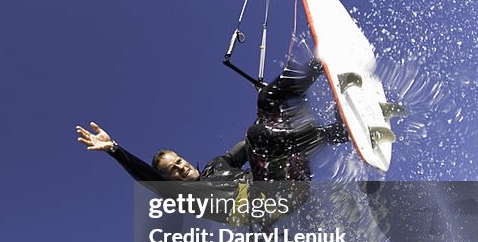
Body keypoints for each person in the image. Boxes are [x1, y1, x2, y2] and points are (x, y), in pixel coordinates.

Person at [76, 58, 348, 184]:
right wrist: (114, 149)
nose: (180, 168)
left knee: (266, 98)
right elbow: (147, 178)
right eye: (172, 171)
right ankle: (331, 133)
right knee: (256, 134)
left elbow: (251, 145)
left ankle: (322, 63)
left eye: (178, 161)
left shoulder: (217, 165)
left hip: (284, 172)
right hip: (272, 199)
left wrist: (269, 107)